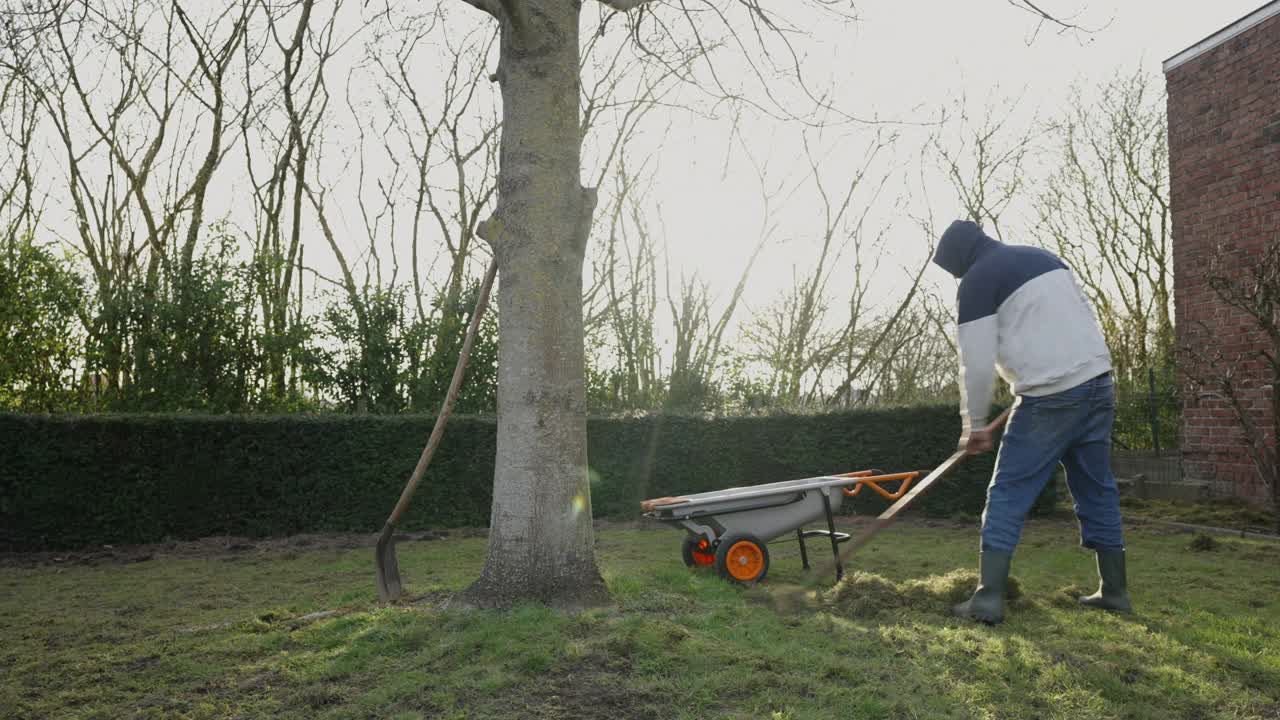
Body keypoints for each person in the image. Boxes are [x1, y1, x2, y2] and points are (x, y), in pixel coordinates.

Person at [931, 219, 1132, 625]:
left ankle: (988, 599)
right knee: (1097, 488)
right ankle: (1115, 591)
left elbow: (976, 363)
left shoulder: (976, 281)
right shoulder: (1043, 257)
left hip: (1049, 398)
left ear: (958, 263)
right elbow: (1075, 324)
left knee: (1007, 492)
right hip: (1097, 383)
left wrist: (973, 424)